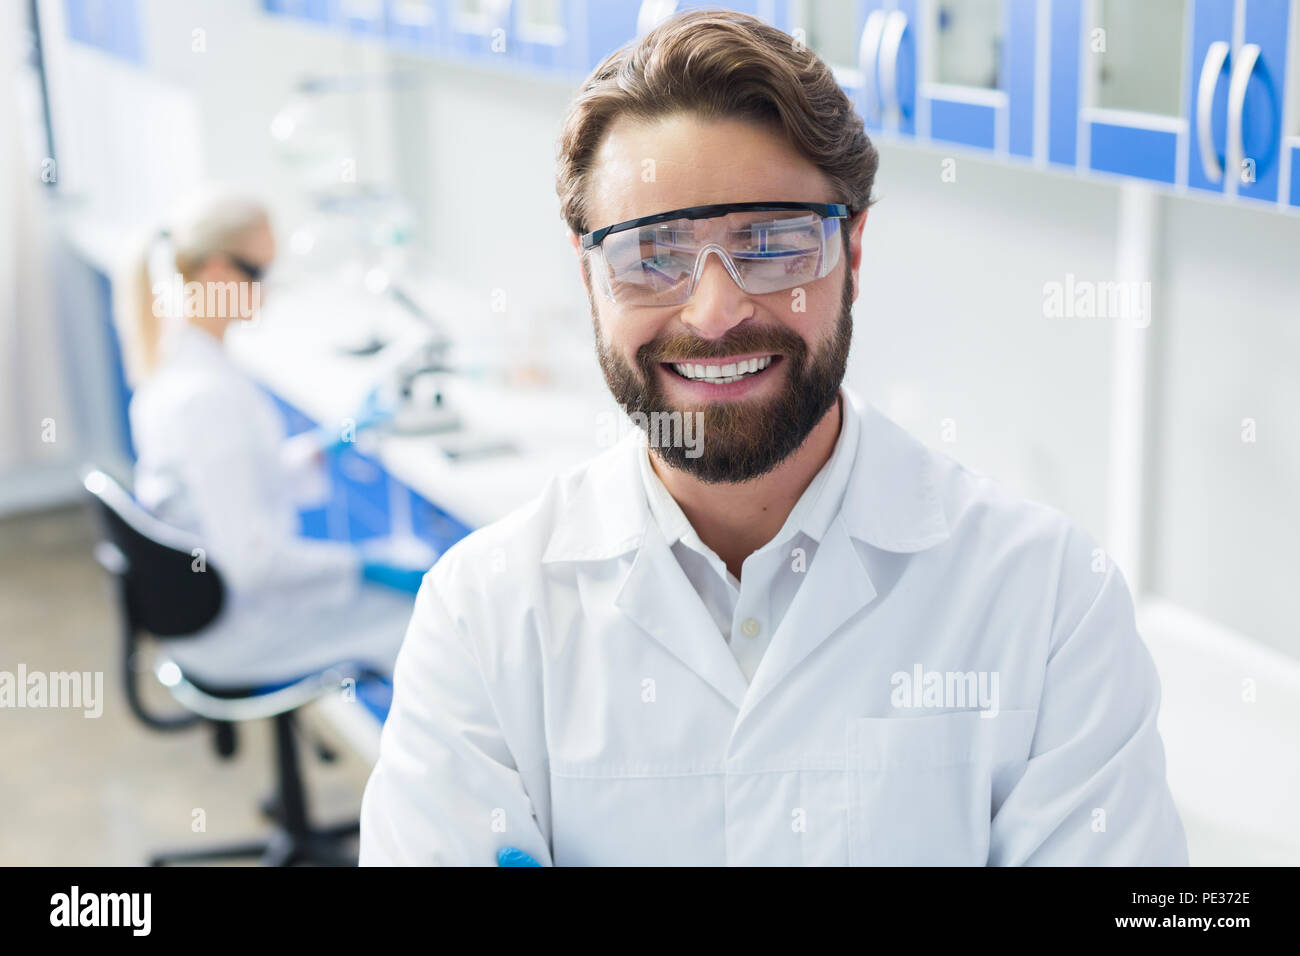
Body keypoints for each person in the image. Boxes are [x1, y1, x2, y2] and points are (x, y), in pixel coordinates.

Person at [359, 10, 1188, 865]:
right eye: (652, 254)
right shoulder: (482, 616)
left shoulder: (1049, 601)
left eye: (772, 244)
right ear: (590, 277)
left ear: (852, 255)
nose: (715, 312)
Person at [121, 189, 418, 688]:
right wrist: (370, 566)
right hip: (238, 628)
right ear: (216, 274)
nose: (270, 290)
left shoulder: (177, 363)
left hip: (210, 607)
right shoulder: (206, 399)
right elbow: (256, 563)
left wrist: (327, 446)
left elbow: (229, 482)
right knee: (422, 621)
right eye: (259, 273)